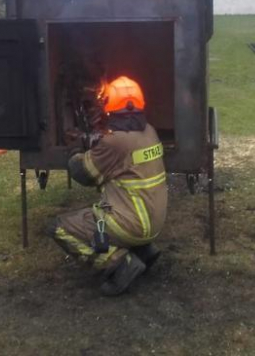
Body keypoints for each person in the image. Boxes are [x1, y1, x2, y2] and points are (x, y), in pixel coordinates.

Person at [48, 75, 167, 296]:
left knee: (59, 228)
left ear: (109, 106)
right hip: (155, 221)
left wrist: (75, 151)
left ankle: (120, 264)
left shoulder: (115, 141)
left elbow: (83, 174)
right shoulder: (150, 131)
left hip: (131, 224)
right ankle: (144, 251)